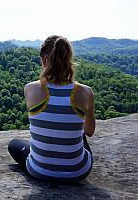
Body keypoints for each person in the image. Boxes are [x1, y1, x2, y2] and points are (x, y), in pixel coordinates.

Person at [8, 35, 95, 182]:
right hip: (77, 172)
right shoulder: (86, 92)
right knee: (79, 132)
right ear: (69, 60)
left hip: (39, 170)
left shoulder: (30, 88)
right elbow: (89, 131)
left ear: (43, 60)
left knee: (14, 145)